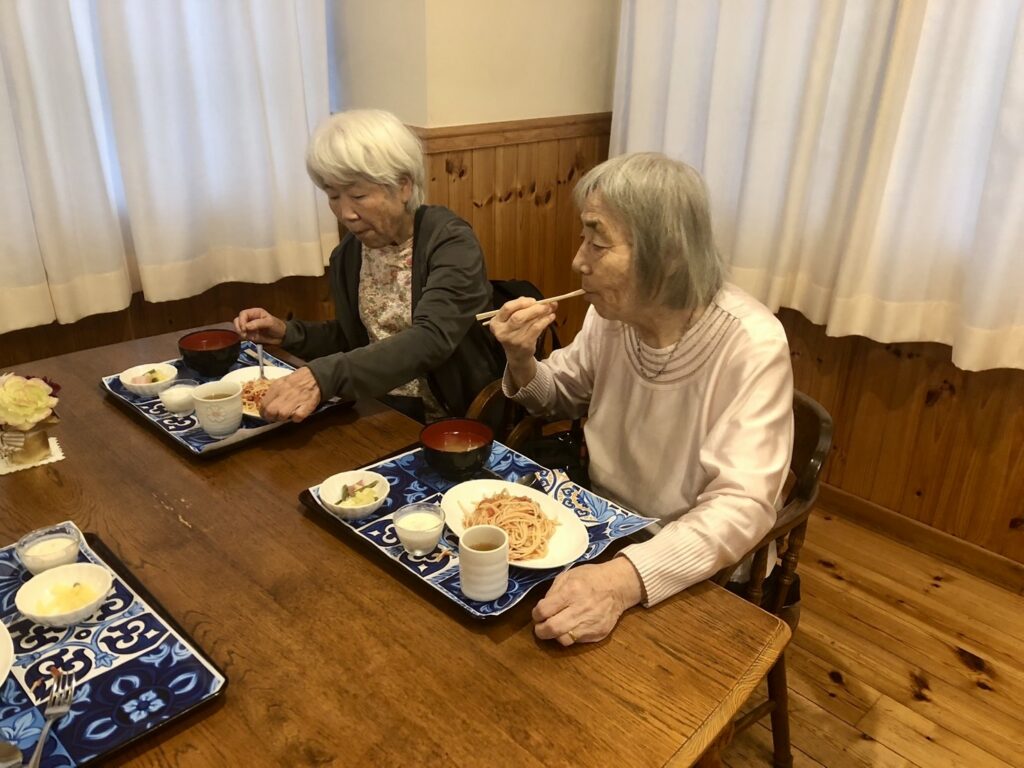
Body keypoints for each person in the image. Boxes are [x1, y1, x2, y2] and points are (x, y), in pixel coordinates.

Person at [489, 152, 794, 646]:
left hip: (694, 563)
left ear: (667, 254)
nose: (578, 260)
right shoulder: (611, 316)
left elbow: (742, 505)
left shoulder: (751, 343)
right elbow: (558, 396)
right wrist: (521, 359)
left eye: (597, 242)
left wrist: (622, 580)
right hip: (600, 526)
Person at [234, 109, 501, 424]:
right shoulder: (349, 254)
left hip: (450, 420)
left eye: (358, 195)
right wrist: (289, 333)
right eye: (333, 196)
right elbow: (356, 338)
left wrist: (323, 376)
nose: (345, 213)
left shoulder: (450, 242)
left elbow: (431, 338)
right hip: (376, 407)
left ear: (403, 187)